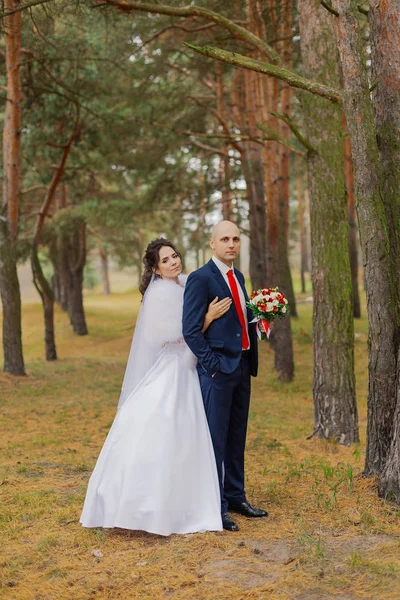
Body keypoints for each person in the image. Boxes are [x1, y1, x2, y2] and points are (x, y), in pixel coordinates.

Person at [80, 238, 231, 536]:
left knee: (190, 434)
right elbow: (181, 335)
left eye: (175, 256)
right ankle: (150, 506)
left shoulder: (184, 283)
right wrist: (208, 317)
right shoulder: (161, 295)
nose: (174, 262)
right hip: (174, 368)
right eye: (166, 260)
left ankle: (192, 498)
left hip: (190, 367)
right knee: (165, 428)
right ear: (155, 269)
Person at [182, 220, 268, 532]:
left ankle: (235, 496)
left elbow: (238, 321)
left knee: (236, 437)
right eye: (225, 239)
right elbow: (190, 330)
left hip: (243, 367)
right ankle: (215, 506)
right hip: (218, 371)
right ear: (212, 243)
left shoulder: (238, 276)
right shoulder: (200, 278)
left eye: (235, 239)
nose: (231, 244)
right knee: (214, 441)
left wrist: (259, 321)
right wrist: (212, 365)